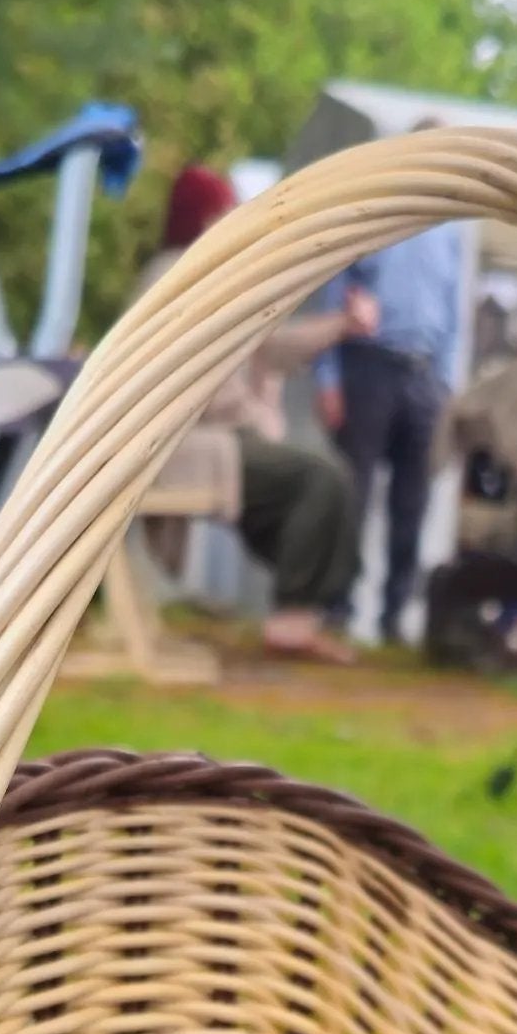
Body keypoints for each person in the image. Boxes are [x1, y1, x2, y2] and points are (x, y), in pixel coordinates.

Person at [137, 165, 375, 664]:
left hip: (225, 436)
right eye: (225, 211)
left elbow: (271, 344)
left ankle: (302, 613)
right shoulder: (176, 278)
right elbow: (187, 386)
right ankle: (291, 623)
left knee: (323, 478)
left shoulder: (209, 276)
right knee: (319, 479)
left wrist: (341, 325)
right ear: (204, 217)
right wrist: (251, 410)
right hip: (190, 443)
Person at [317, 181, 469, 646]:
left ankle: (395, 615)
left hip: (423, 374)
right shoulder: (373, 212)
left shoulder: (450, 231)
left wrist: (446, 387)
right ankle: (337, 608)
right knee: (353, 493)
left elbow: (453, 312)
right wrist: (329, 378)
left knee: (413, 501)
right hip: (368, 365)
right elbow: (335, 293)